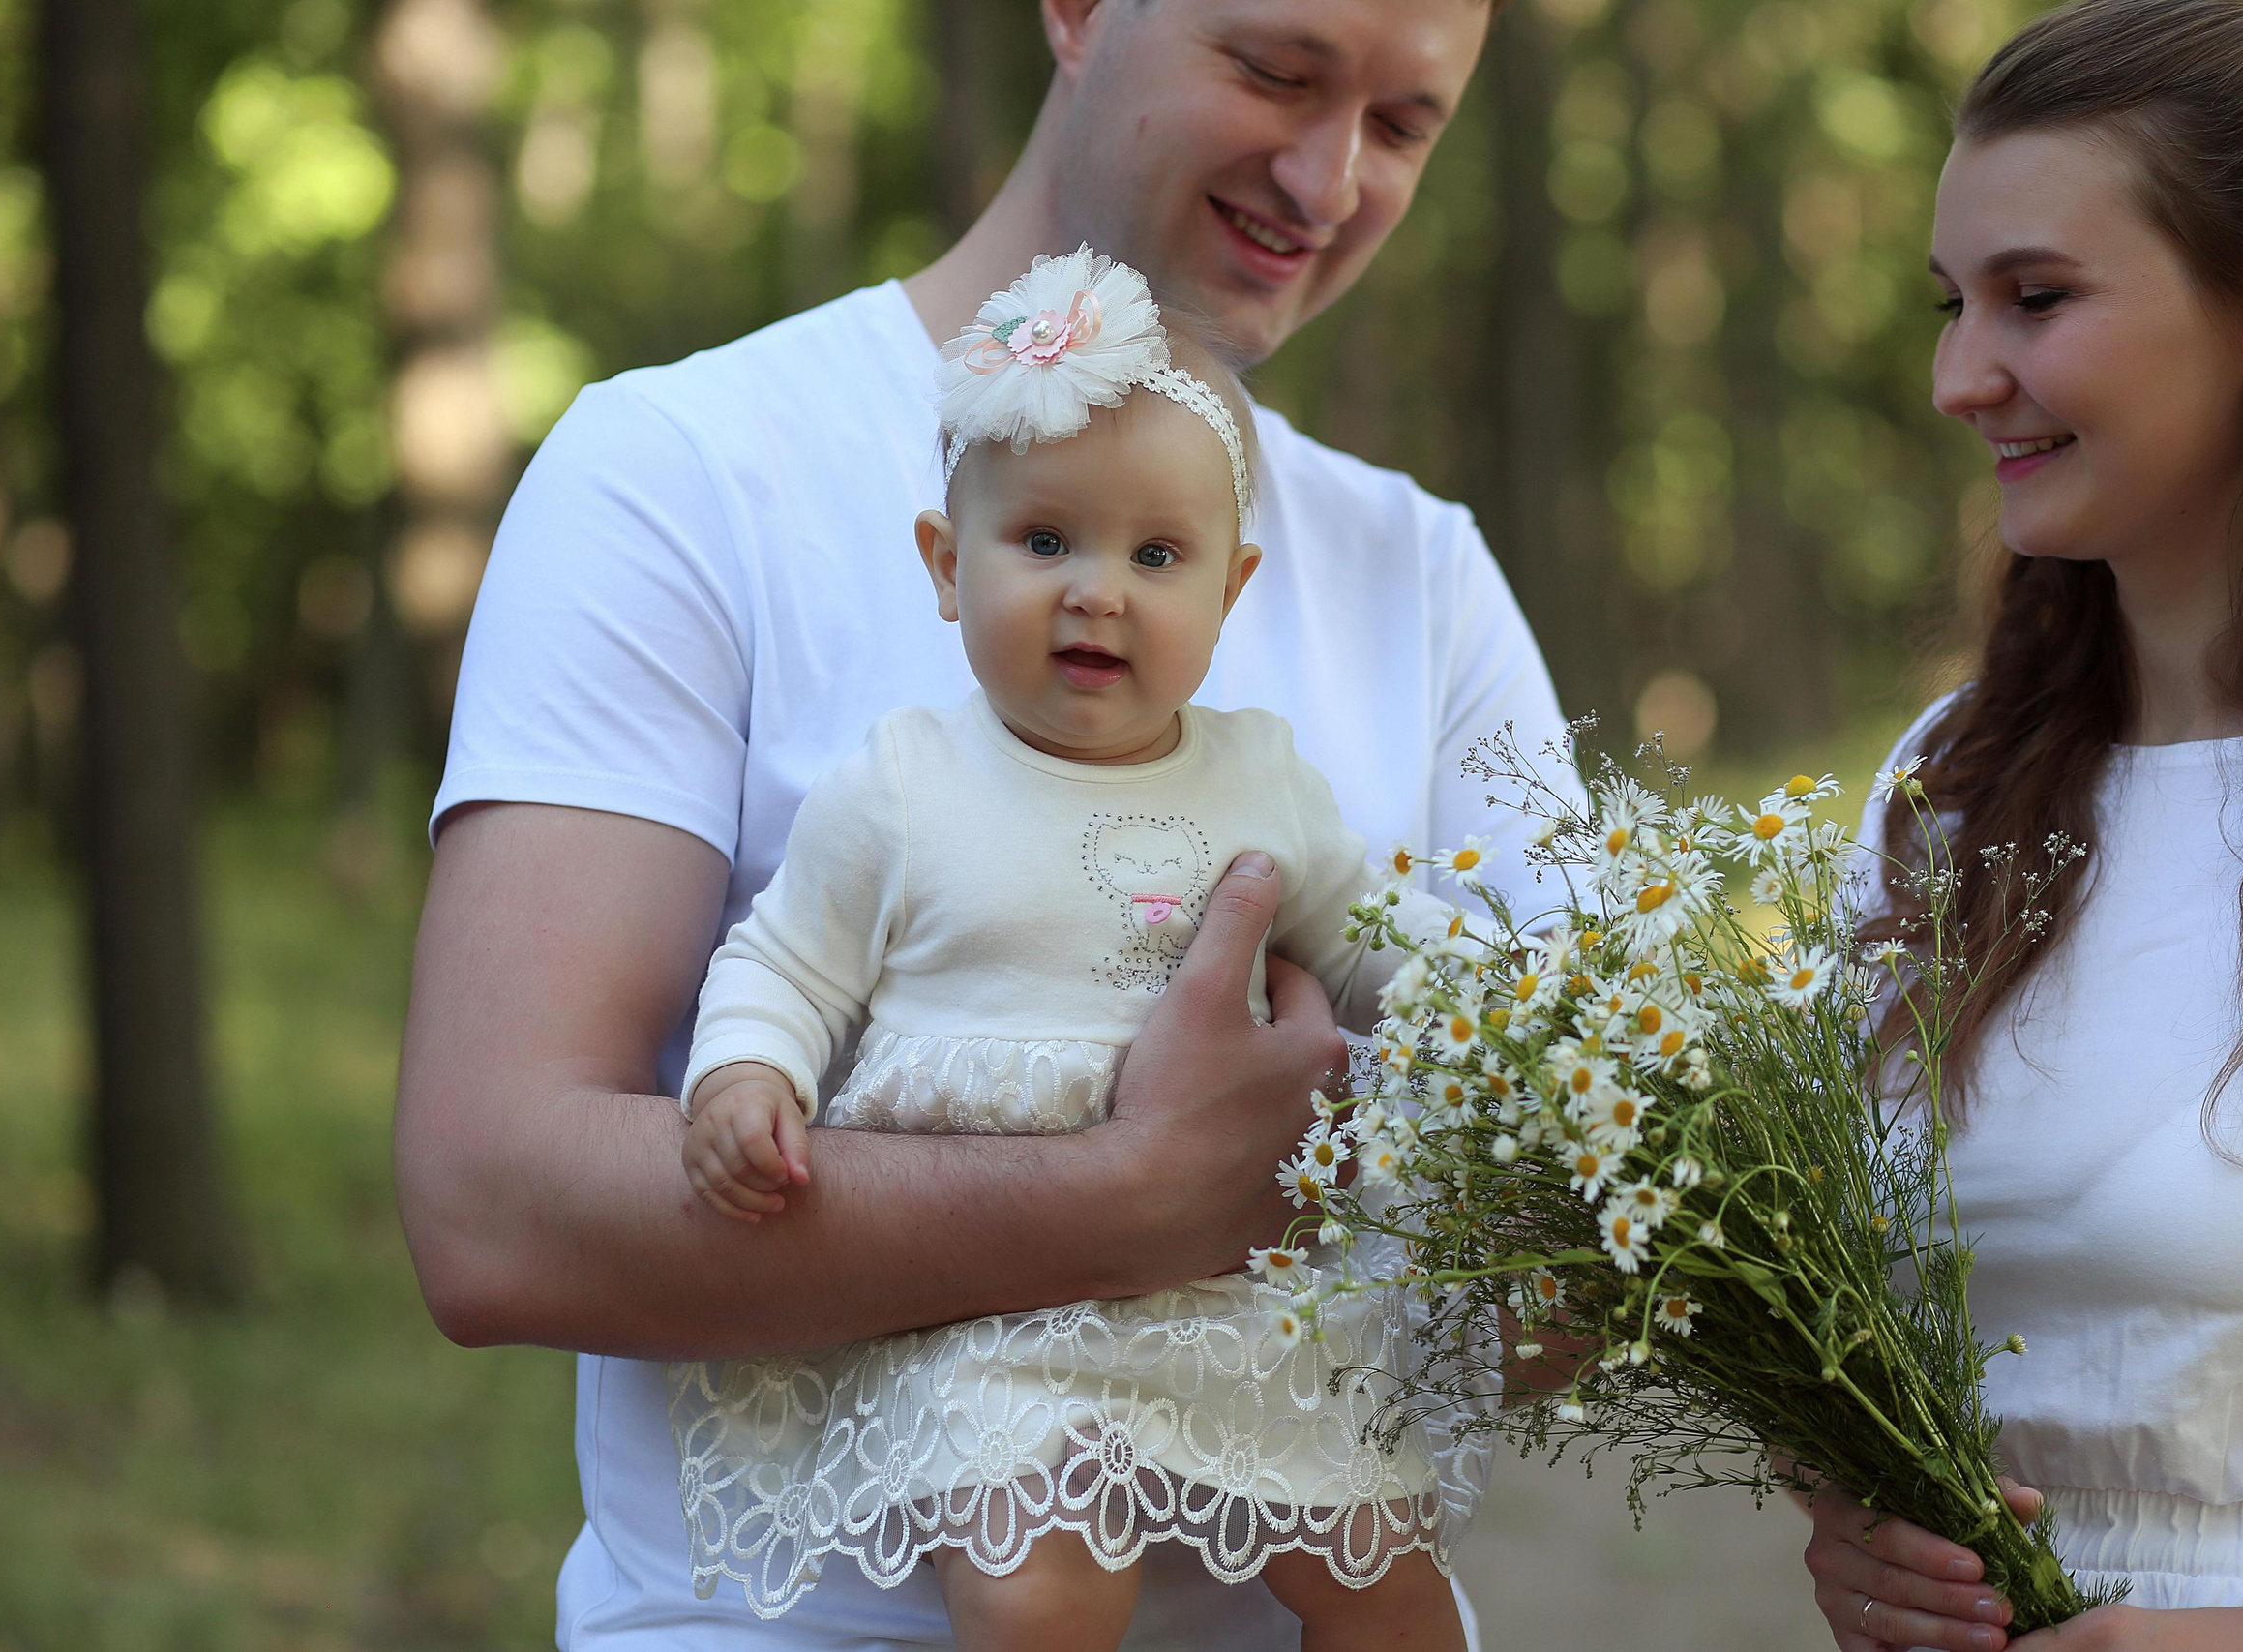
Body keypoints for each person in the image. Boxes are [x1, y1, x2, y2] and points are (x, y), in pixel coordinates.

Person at [392, 1, 1565, 1646]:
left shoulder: (1418, 572)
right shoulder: (684, 471)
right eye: (1275, 71)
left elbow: (1590, 1240)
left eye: (1405, 124)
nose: (1327, 176)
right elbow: (491, 1211)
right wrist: (1135, 1192)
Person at [673, 247, 1477, 1649]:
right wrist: (747, 1076)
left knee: (1388, 1582)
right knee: (1041, 1589)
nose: (1098, 592)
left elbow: (1373, 940)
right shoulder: (905, 783)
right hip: (999, 1300)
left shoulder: (1261, 780)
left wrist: (1504, 1012)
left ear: (1231, 592)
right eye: (1045, 541)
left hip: (1234, 1289)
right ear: (945, 563)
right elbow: (786, 964)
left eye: (1155, 557)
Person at [1801, 2, 2243, 1647]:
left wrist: (2230, 1646)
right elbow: (1863, 1306)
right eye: (1951, 302)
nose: (1957, 377)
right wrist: (1859, 1531)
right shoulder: (1950, 789)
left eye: (2035, 299)